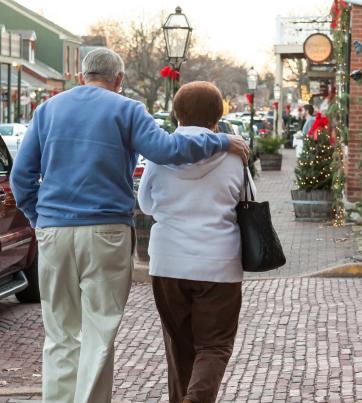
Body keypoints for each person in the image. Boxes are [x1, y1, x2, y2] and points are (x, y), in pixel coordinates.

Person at [9, 48, 249, 403]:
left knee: (60, 332)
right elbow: (167, 150)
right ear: (119, 80)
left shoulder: (47, 110)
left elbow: (21, 177)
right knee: (99, 330)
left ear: (82, 76)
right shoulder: (127, 109)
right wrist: (220, 139)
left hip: (54, 230)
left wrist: (39, 219)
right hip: (106, 231)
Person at [137, 81, 254, 403]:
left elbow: (146, 205)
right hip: (219, 262)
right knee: (214, 346)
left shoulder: (160, 155)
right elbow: (248, 201)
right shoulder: (235, 155)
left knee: (179, 346)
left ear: (177, 114)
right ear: (218, 116)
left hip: (169, 260)